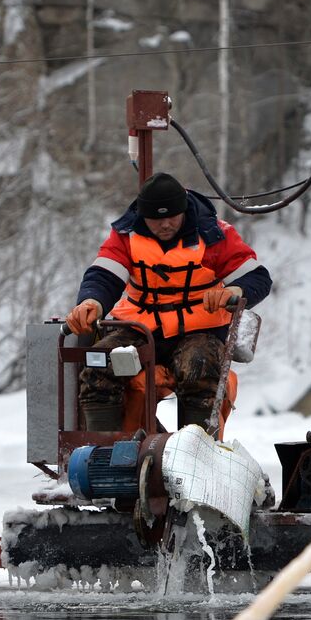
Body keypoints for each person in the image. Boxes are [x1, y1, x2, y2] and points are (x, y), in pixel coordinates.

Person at [65, 172, 271, 432]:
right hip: (140, 329)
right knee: (98, 365)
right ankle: (102, 454)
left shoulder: (215, 235)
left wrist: (235, 292)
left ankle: (196, 452)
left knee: (200, 367)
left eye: (171, 217)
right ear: (142, 215)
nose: (165, 225)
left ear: (184, 210)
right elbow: (104, 276)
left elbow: (258, 278)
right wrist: (91, 302)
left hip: (199, 331)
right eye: (155, 219)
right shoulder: (125, 236)